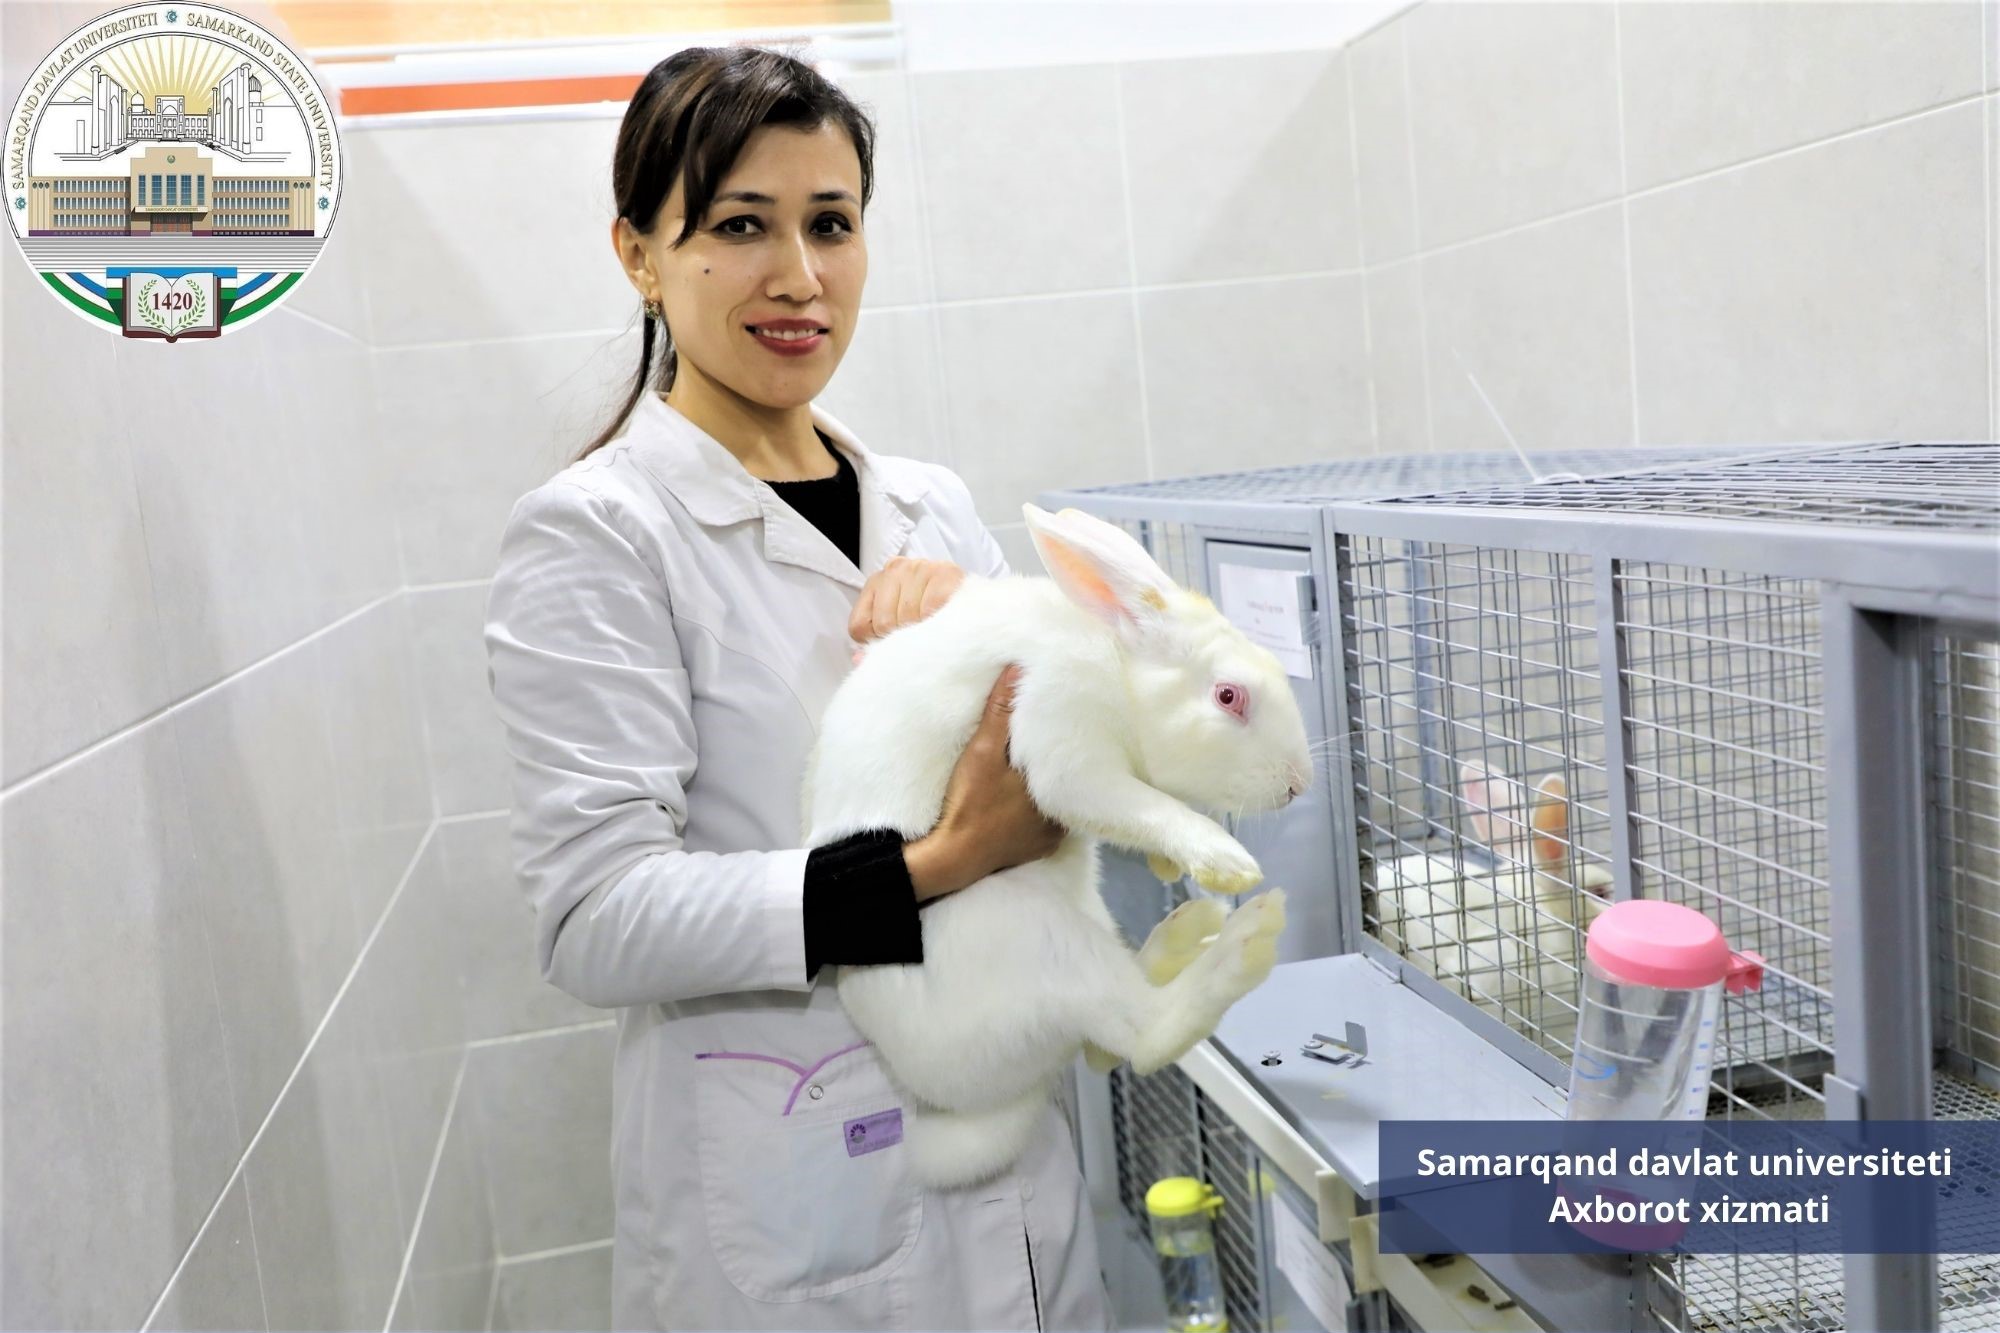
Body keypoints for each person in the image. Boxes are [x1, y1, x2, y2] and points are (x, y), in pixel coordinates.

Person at [483, 45, 1116, 1333]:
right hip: (797, 1184)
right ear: (640, 255)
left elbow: (1070, 771)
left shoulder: (929, 508)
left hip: (1010, 1160)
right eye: (739, 226)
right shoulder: (600, 531)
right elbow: (595, 919)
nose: (799, 276)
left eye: (830, 223)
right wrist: (938, 862)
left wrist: (1007, 635)